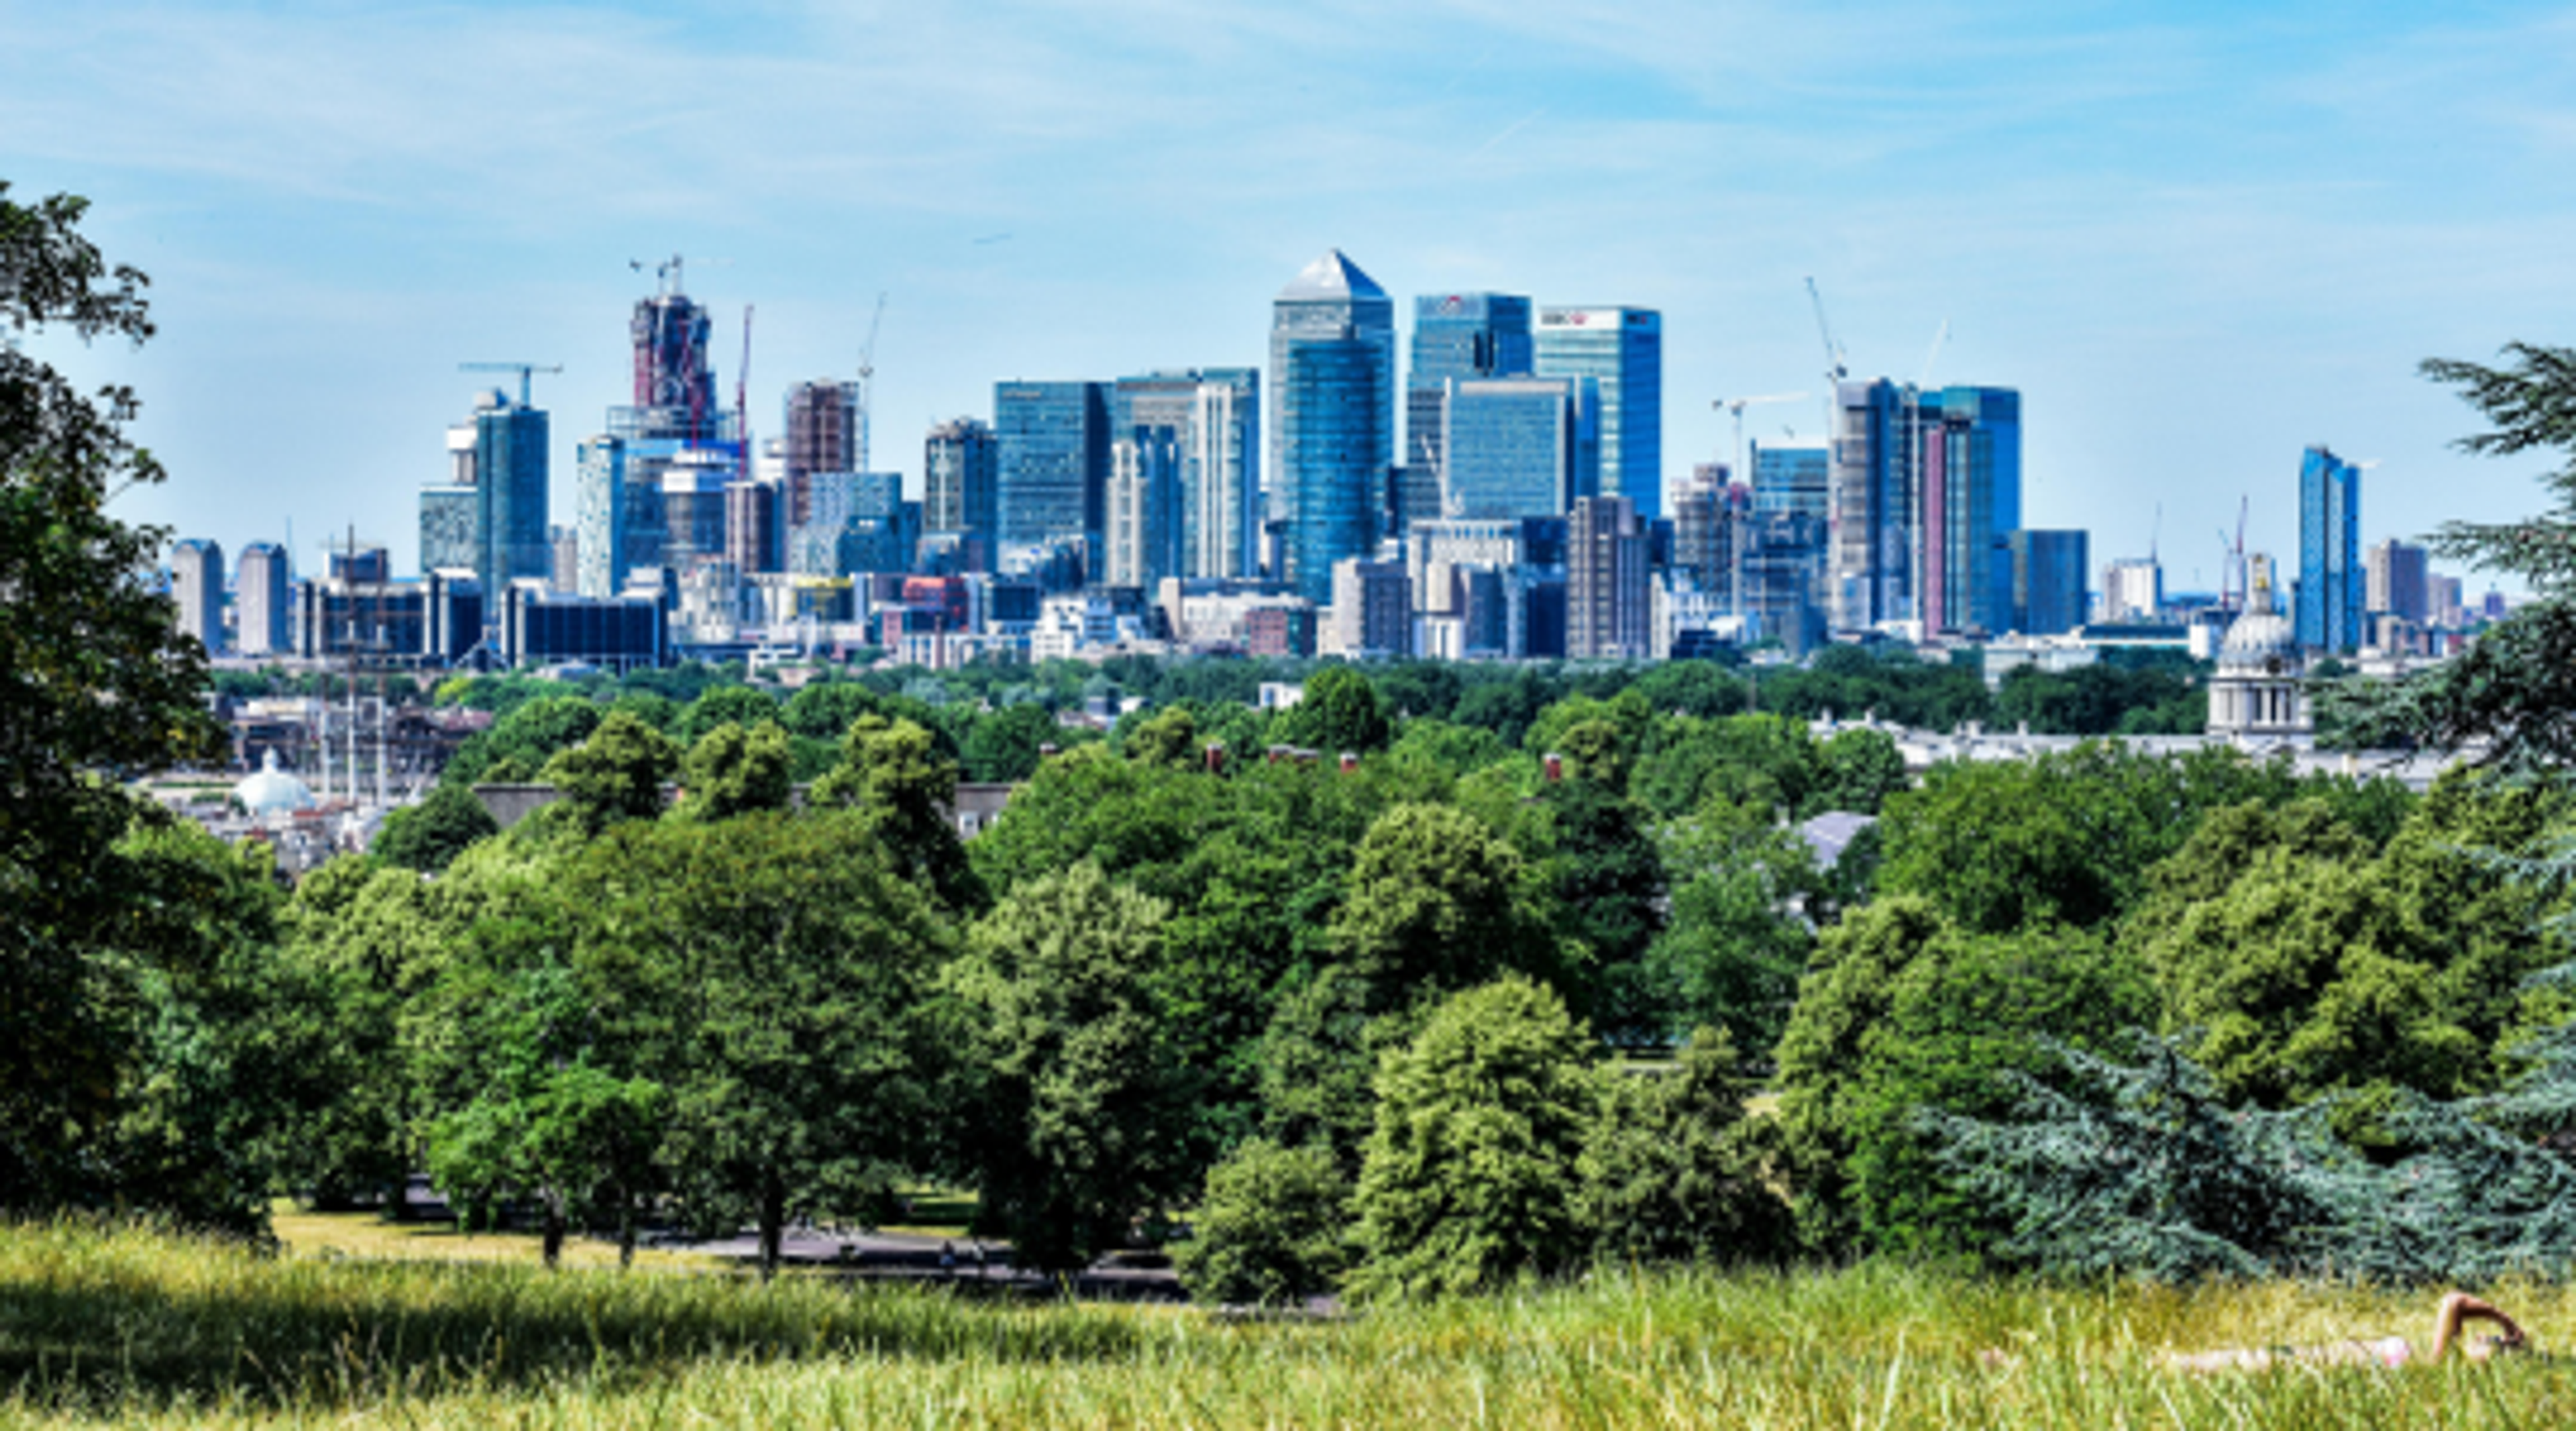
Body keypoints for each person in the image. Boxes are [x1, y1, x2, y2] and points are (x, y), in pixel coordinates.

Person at [2159, 1291, 2530, 1372]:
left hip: (2333, 1363)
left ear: (2488, 1366)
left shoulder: (2444, 1362)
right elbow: (2460, 1308)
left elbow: (2454, 1302)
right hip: (2334, 1356)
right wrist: (2507, 1327)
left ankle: (2176, 1364)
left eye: (2496, 1345)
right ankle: (2178, 1363)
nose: (2487, 1337)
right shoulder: (2448, 1356)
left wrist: (2506, 1322)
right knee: (2258, 1357)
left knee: (2255, 1361)